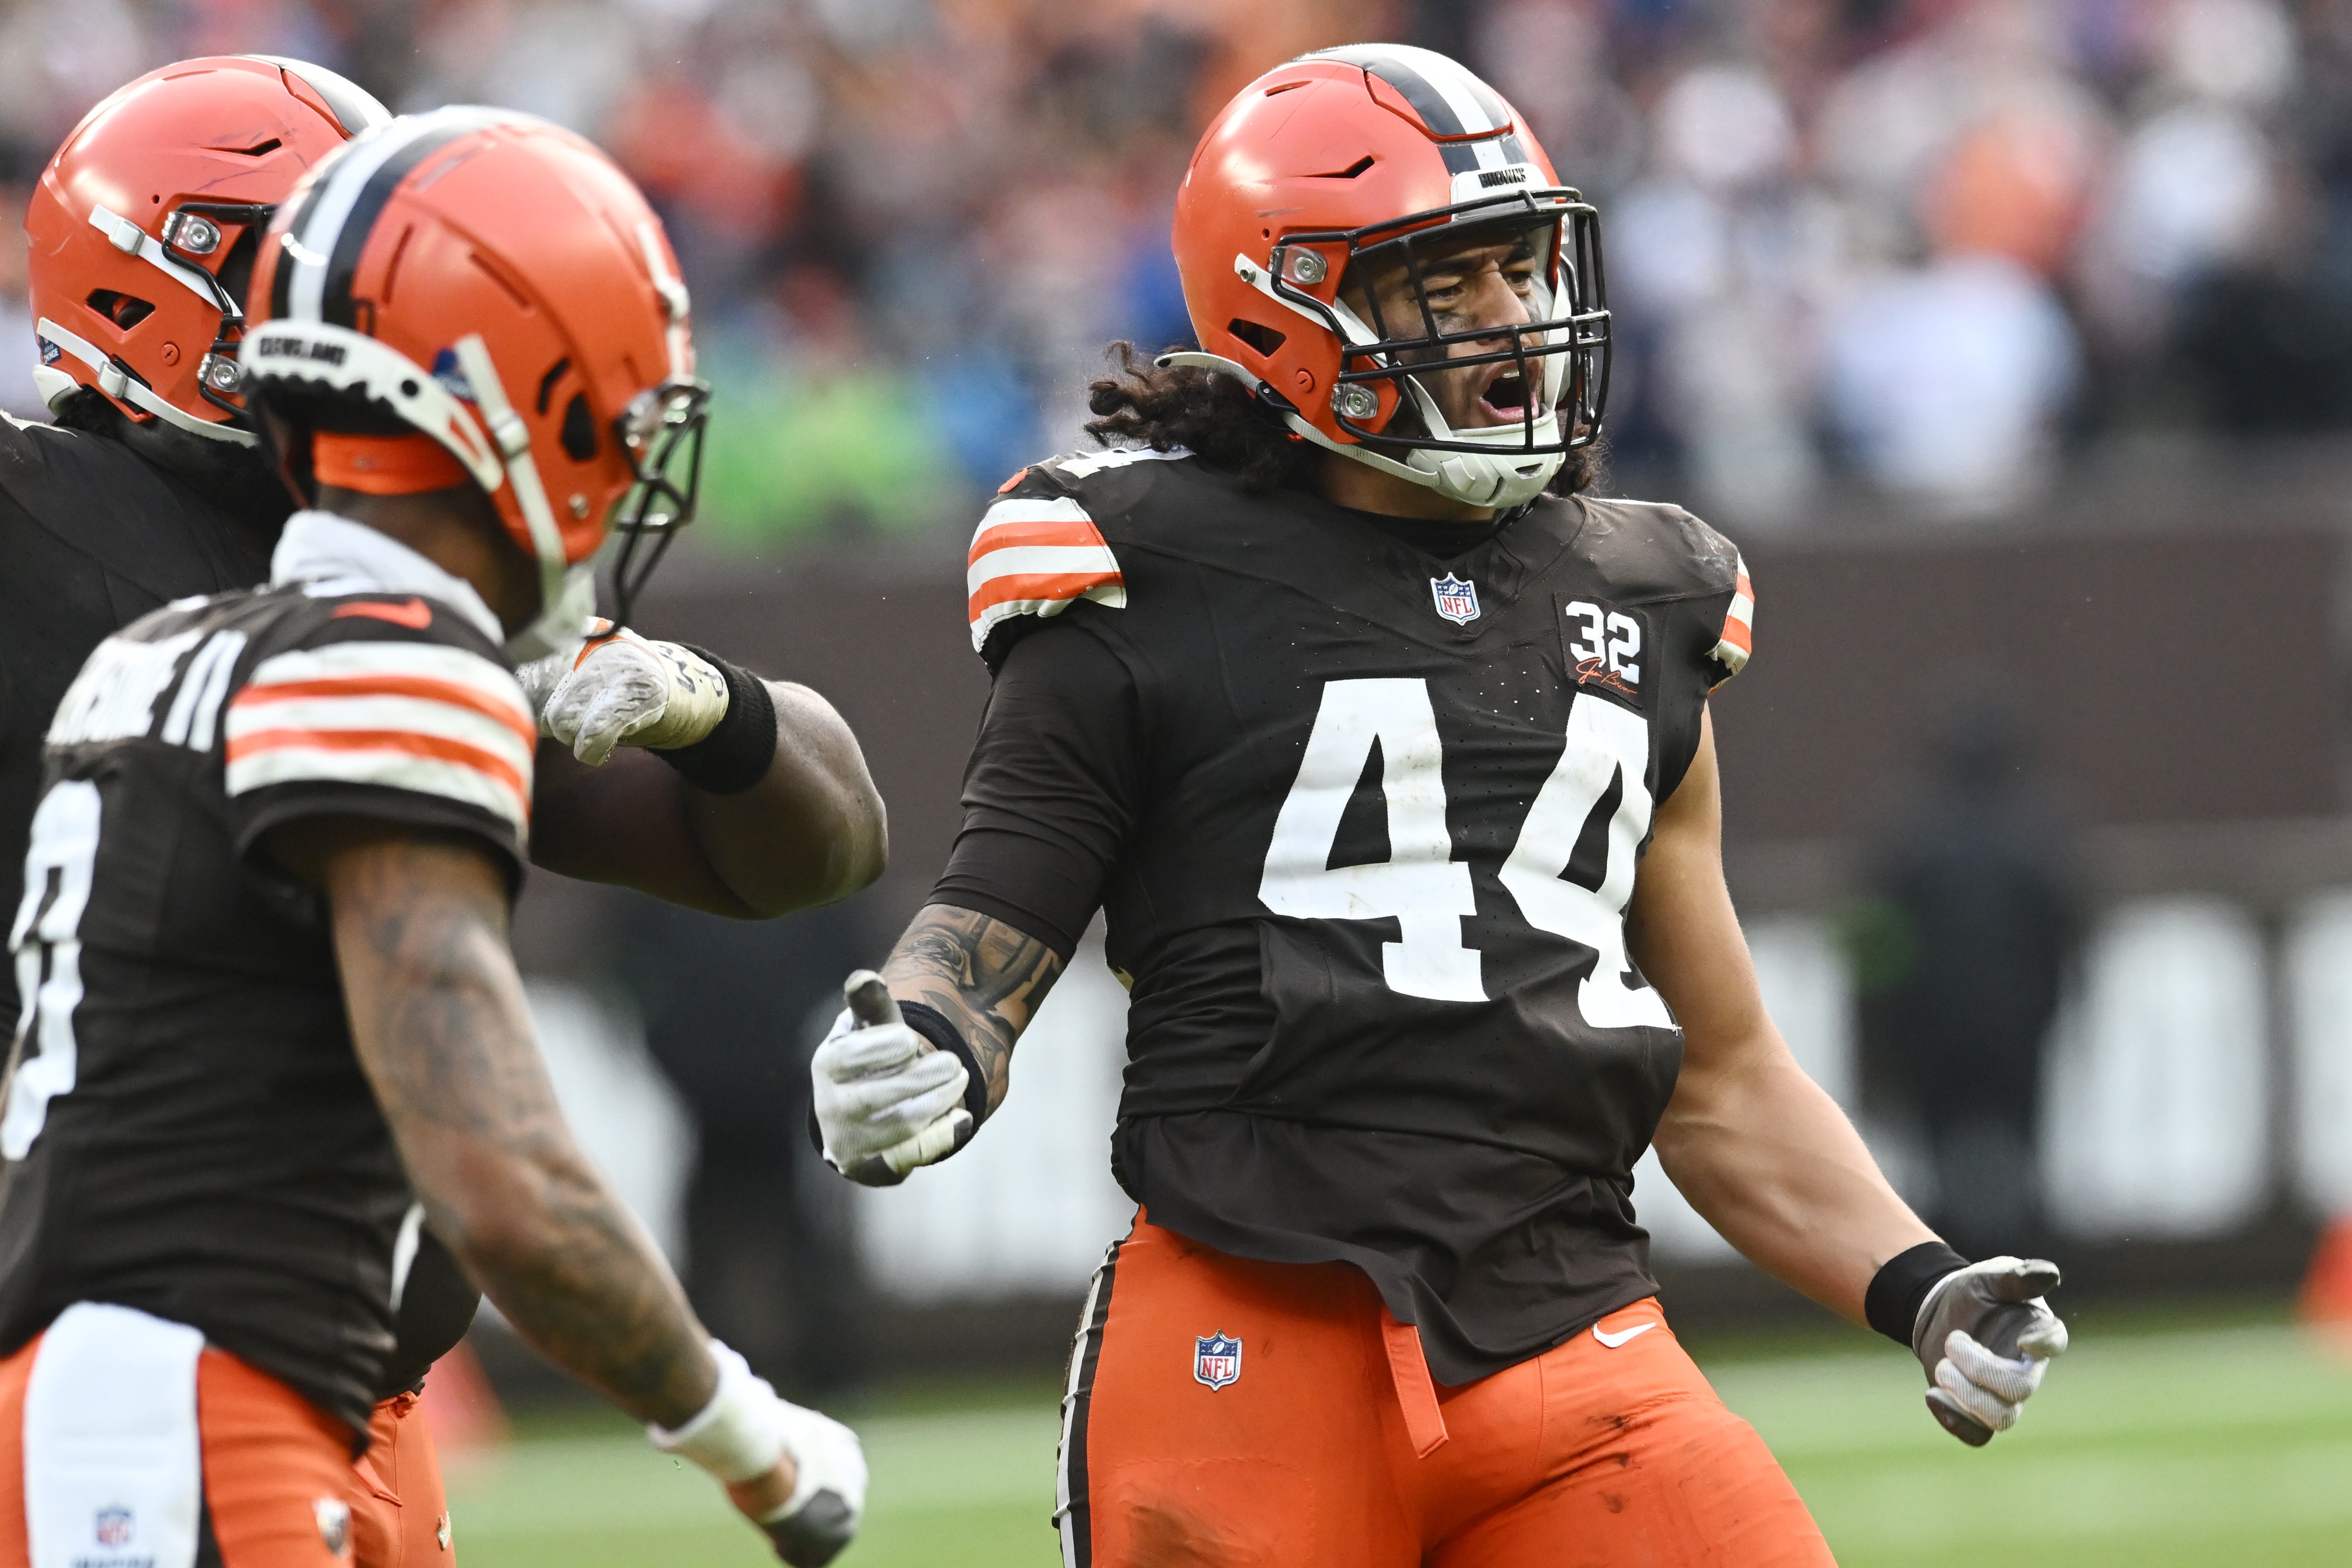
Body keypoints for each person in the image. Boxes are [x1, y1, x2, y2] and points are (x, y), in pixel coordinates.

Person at [811, 43, 2067, 1565]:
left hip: (1573, 1336)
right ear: (1287, 308)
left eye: (1521, 269)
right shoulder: (1142, 571)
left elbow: (1720, 1076)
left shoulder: (1643, 589)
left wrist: (1916, 1280)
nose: (1512, 325)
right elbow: (994, 911)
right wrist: (929, 1038)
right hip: (1251, 1340)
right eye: (1447, 284)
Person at [0, 58, 888, 1568]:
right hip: (153, 1357)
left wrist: (703, 702)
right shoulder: (55, 523)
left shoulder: (391, 578)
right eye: (336, 271)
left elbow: (815, 846)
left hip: (341, 1378)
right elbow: (505, 1171)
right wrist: (740, 1428)